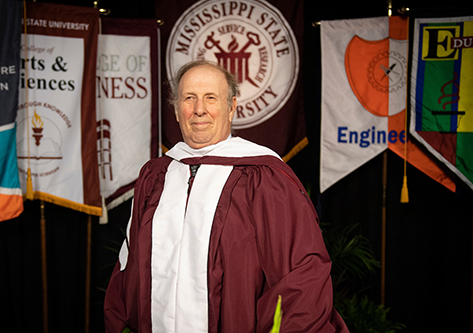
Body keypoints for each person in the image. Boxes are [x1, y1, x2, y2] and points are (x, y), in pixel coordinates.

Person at [104, 60, 349, 333]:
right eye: (189, 98)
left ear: (231, 107)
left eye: (211, 98)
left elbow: (301, 278)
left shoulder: (265, 179)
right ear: (175, 109)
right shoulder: (154, 178)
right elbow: (129, 271)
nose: (199, 109)